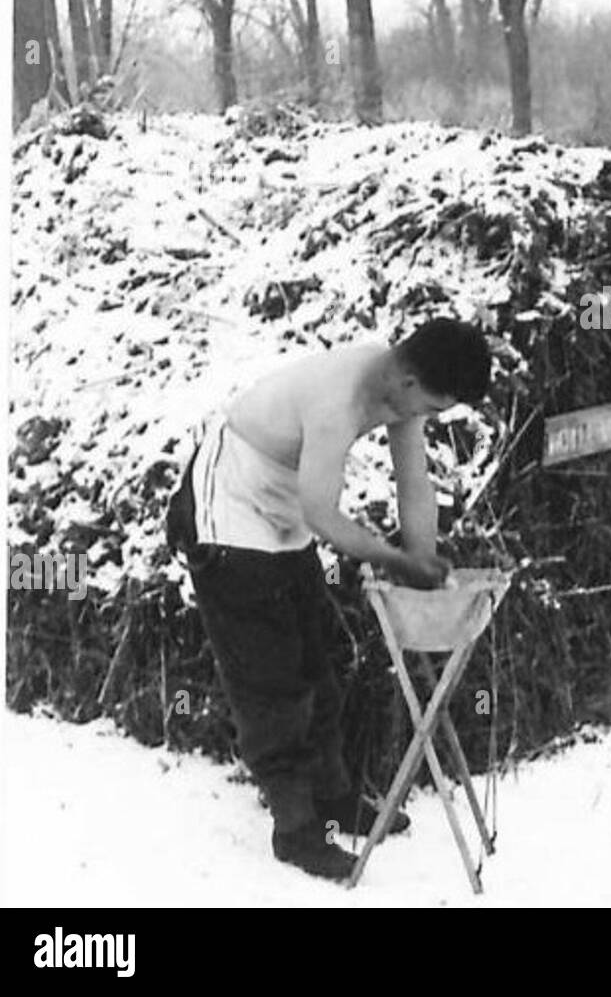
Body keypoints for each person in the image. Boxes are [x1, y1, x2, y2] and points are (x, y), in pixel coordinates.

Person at [165, 318, 492, 880]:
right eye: (437, 408)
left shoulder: (400, 389)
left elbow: (413, 482)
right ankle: (296, 827)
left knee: (322, 653)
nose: (432, 418)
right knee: (271, 674)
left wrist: (423, 562)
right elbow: (323, 514)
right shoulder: (338, 398)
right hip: (231, 502)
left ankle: (335, 796)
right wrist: (396, 561)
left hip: (284, 504)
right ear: (411, 383)